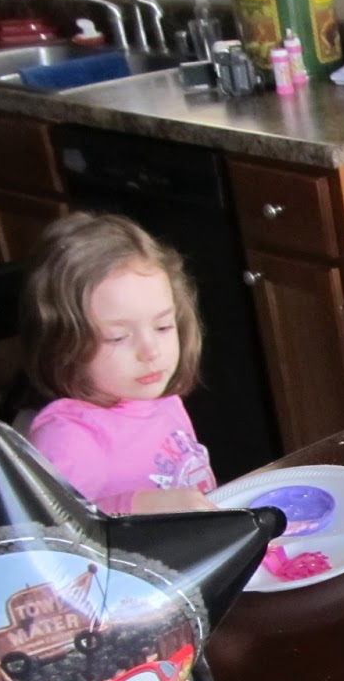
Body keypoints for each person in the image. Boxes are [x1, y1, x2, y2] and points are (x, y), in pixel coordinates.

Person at [21, 211, 217, 515]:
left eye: (163, 326)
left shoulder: (159, 398)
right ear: (64, 346)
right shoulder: (70, 440)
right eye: (118, 337)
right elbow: (51, 528)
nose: (150, 351)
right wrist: (134, 506)